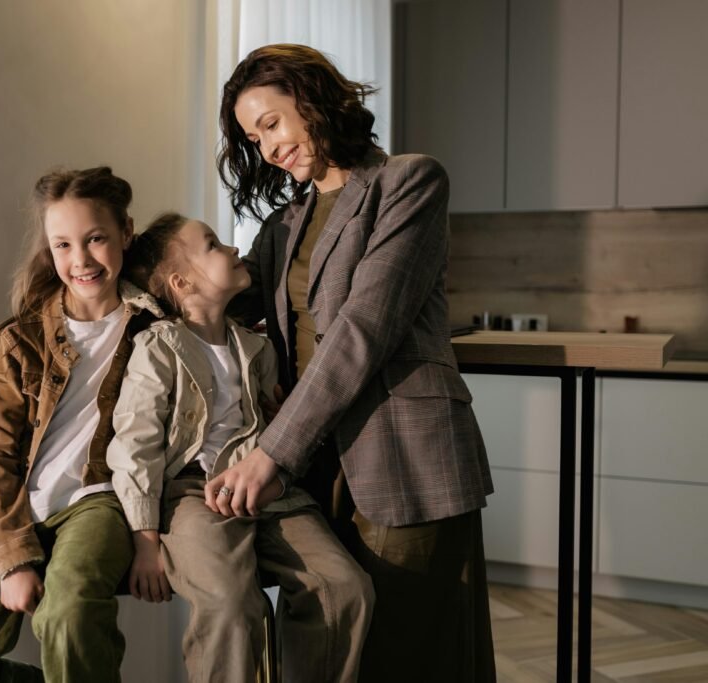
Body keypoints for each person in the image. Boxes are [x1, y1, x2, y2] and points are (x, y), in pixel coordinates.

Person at [209, 44, 496, 682]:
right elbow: (222, 302)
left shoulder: (410, 181)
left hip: (406, 453)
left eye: (272, 123)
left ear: (312, 100)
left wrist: (272, 452)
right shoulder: (284, 224)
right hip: (320, 467)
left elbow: (363, 327)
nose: (268, 148)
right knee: (339, 655)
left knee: (411, 654)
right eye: (254, 138)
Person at [0, 167, 163, 683]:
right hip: (24, 504)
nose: (81, 260)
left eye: (95, 239)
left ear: (125, 233)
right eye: (63, 245)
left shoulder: (157, 327)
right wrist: (13, 558)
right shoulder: (17, 341)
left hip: (100, 499)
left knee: (67, 617)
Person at [107, 212, 373, 682]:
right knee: (231, 604)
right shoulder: (158, 348)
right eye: (212, 244)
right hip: (192, 495)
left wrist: (280, 465)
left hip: (271, 493)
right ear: (181, 282)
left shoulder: (260, 350)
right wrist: (145, 539)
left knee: (346, 587)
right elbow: (136, 445)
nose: (231, 248)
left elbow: (283, 436)